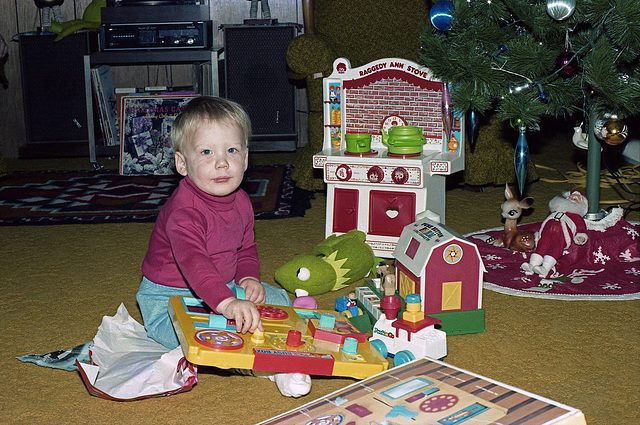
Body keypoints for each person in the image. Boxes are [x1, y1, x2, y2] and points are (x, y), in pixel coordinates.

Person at [136, 96, 310, 396]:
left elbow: (246, 248)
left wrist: (248, 278)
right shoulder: (184, 212)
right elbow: (195, 265)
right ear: (182, 163)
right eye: (206, 152)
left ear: (245, 158)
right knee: (197, 335)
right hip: (170, 297)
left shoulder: (241, 201)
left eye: (231, 150)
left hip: (224, 285)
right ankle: (268, 368)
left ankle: (271, 342)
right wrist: (228, 304)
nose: (221, 162)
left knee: (277, 299)